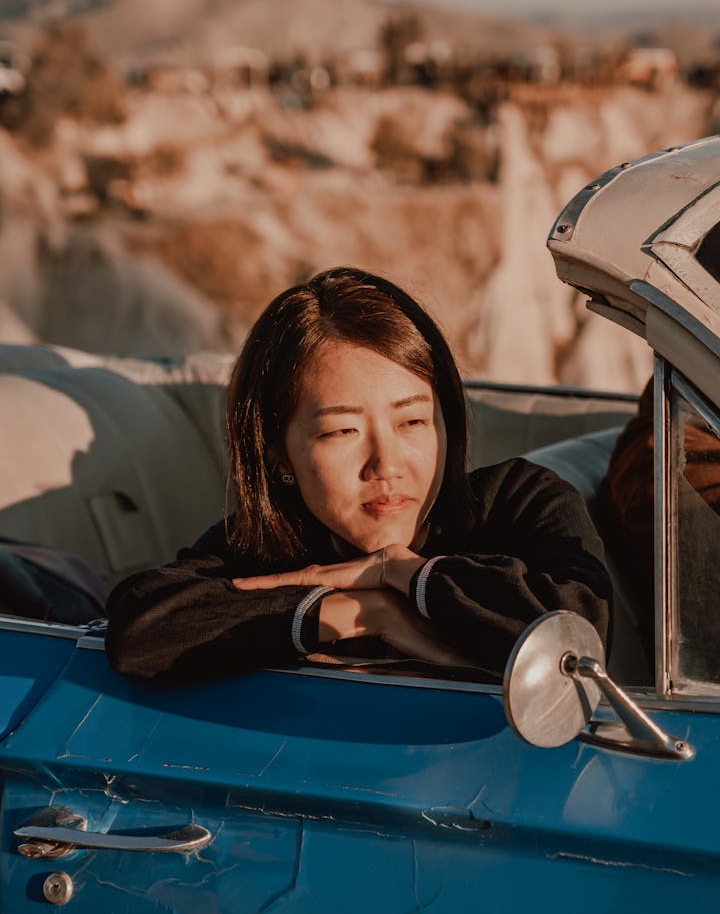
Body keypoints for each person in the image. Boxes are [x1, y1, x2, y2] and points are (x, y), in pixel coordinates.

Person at [105, 267, 611, 682]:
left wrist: (399, 572)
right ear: (279, 453)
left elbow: (576, 632)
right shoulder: (270, 548)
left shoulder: (517, 502)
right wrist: (364, 614)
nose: (386, 465)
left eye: (412, 421)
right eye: (342, 432)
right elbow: (141, 632)